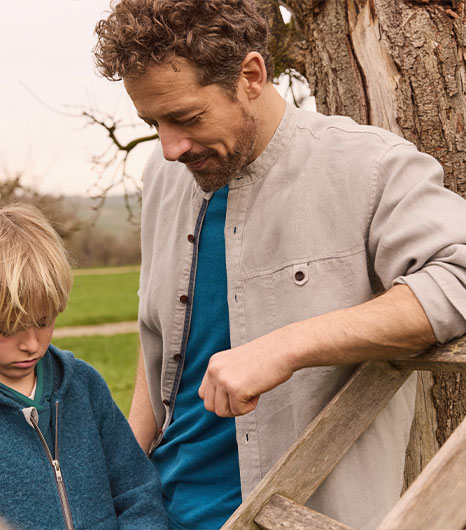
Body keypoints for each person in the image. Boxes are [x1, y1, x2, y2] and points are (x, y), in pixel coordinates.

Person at [94, 1, 466, 528]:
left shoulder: (370, 166)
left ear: (251, 75)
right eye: (152, 122)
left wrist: (286, 346)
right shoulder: (163, 174)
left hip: (293, 514)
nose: (169, 146)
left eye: (185, 117)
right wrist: (123, 482)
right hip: (157, 513)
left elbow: (459, 276)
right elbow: (156, 337)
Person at [0, 204, 168, 530]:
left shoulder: (84, 386)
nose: (32, 344)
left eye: (44, 322)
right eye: (7, 328)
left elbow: (136, 489)